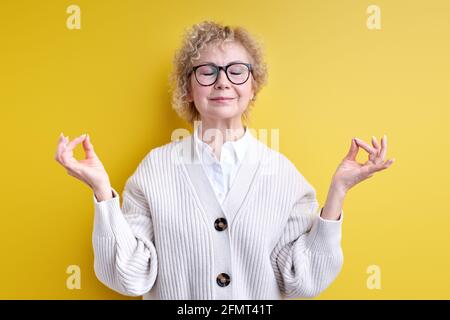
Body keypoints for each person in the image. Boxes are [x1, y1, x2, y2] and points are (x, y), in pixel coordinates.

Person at [54, 21, 395, 299]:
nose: (222, 82)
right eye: (207, 71)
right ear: (188, 88)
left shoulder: (283, 176)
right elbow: (130, 277)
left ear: (253, 85)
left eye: (236, 71)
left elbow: (302, 280)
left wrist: (337, 192)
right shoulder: (154, 170)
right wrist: (102, 192)